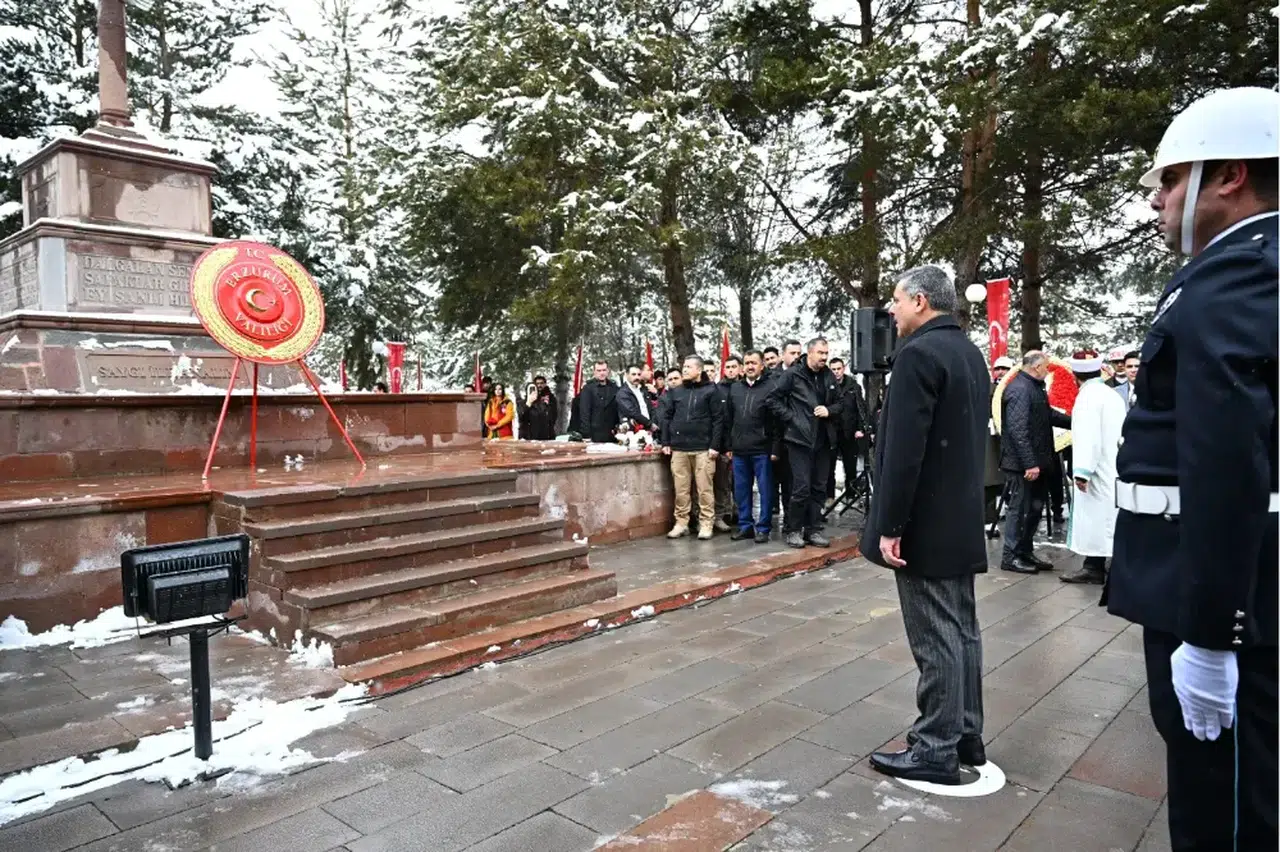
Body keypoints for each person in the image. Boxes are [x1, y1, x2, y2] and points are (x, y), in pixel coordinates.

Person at [1107, 87, 1279, 850]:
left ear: (1230, 174)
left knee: (1226, 812)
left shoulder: (1239, 272)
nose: (1158, 200)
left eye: (1173, 180)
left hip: (1224, 597)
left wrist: (1212, 634)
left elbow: (1226, 457)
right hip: (1227, 582)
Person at [860, 264, 990, 785]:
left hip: (926, 524)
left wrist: (890, 524)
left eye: (896, 300)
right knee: (963, 632)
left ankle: (936, 747)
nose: (890, 310)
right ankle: (966, 733)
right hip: (959, 515)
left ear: (919, 300)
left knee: (936, 638)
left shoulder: (918, 355)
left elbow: (903, 452)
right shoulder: (968, 352)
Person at [766, 337, 844, 549]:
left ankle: (813, 529)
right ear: (809, 353)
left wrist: (829, 410)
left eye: (826, 353)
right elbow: (772, 400)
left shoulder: (828, 375)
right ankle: (793, 530)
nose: (824, 357)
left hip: (823, 440)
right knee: (801, 487)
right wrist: (792, 418)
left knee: (819, 488)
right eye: (820, 353)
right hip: (799, 440)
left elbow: (840, 403)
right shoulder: (793, 374)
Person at [999, 351, 1070, 573]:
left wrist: (1076, 421)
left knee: (1034, 509)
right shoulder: (1020, 389)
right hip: (1023, 465)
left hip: (1037, 462)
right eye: (1046, 367)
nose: (1048, 371)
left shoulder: (1033, 387)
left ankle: (1024, 551)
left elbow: (1047, 415)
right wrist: (1029, 463)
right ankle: (1010, 556)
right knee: (1019, 509)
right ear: (1037, 367)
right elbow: (1018, 430)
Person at [1060, 350, 1126, 585]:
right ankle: (1106, 565)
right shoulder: (1111, 394)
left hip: (1096, 469)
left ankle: (1095, 567)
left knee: (1096, 520)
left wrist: (1082, 471)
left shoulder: (1087, 398)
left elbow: (1089, 437)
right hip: (1113, 464)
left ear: (1075, 375)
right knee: (1109, 517)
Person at [658, 355, 724, 540]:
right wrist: (666, 442)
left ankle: (706, 523)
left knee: (704, 489)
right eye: (684, 366)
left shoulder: (711, 390)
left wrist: (715, 445)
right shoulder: (676, 392)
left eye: (688, 367)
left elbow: (718, 420)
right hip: (679, 448)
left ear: (699, 370)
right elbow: (667, 417)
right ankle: (681, 522)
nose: (684, 370)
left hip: (703, 448)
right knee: (681, 489)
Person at [725, 350, 778, 543]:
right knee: (741, 491)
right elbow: (728, 419)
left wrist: (775, 449)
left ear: (761, 365)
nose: (750, 366)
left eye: (753, 363)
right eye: (747, 363)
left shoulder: (771, 387)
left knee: (765, 491)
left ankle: (763, 528)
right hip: (739, 450)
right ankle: (745, 526)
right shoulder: (735, 389)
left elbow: (777, 422)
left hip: (762, 450)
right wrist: (729, 445)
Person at [825, 357, 869, 507]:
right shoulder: (827, 385)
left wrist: (860, 428)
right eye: (833, 369)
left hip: (849, 431)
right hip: (831, 431)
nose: (836, 372)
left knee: (850, 466)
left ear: (843, 368)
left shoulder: (853, 386)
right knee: (829, 466)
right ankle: (829, 496)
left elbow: (860, 407)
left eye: (839, 369)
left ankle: (851, 495)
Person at [984, 356, 1015, 525]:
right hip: (991, 439)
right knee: (991, 479)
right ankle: (990, 518)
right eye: (998, 369)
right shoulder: (988, 389)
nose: (1001, 372)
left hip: (1013, 441)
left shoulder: (1018, 388)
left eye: (1005, 368)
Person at [713, 355, 741, 532]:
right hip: (725, 444)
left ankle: (739, 511)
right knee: (723, 482)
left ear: (740, 368)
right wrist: (725, 446)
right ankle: (721, 514)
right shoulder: (718, 389)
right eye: (728, 367)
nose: (730, 370)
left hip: (743, 442)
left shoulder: (744, 387)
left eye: (734, 367)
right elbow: (719, 419)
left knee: (740, 482)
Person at [577, 360, 618, 443]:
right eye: (599, 370)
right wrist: (586, 434)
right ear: (594, 372)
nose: (602, 373)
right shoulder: (588, 388)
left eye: (604, 370)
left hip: (612, 433)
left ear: (608, 371)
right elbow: (584, 413)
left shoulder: (614, 387)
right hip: (594, 433)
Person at [616, 364, 655, 433]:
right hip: (634, 431)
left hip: (650, 428)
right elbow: (632, 412)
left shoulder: (643, 389)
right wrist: (650, 424)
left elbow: (651, 408)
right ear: (626, 375)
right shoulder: (622, 393)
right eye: (633, 374)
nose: (637, 377)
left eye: (639, 374)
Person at [522, 375, 558, 440]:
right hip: (533, 431)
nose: (539, 385)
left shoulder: (551, 397)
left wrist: (550, 423)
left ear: (545, 384)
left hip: (548, 431)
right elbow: (523, 416)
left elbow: (554, 413)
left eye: (541, 383)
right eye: (537, 383)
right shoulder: (529, 397)